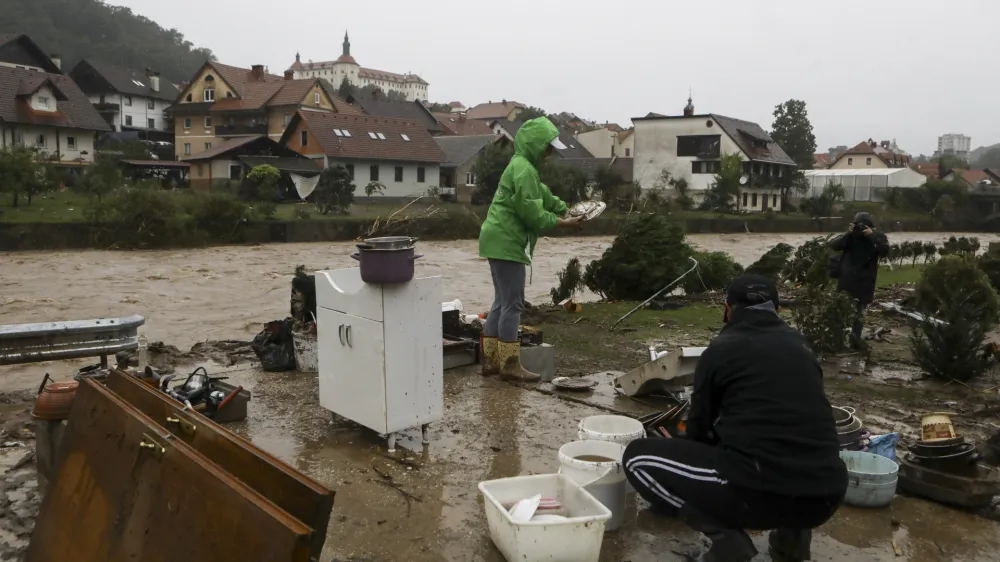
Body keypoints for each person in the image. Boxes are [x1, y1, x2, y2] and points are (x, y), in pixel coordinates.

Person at [622, 275, 847, 562]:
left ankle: (727, 539)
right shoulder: (802, 347)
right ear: (778, 310)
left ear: (727, 310)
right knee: (793, 451)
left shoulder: (720, 349)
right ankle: (792, 542)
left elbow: (700, 431)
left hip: (758, 493)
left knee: (637, 458)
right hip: (827, 494)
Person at [478, 117, 583, 382]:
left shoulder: (521, 166)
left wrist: (564, 208)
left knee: (501, 301)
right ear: (537, 144)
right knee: (513, 305)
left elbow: (542, 194)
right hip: (507, 241)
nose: (549, 154)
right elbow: (532, 214)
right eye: (548, 147)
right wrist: (564, 222)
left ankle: (491, 361)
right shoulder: (524, 171)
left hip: (495, 239)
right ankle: (510, 365)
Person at [830, 212, 890, 344]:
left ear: (870, 227)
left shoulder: (877, 236)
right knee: (840, 310)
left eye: (863, 226)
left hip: (864, 281)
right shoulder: (850, 237)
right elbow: (834, 245)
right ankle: (837, 339)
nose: (860, 229)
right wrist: (848, 234)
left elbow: (884, 251)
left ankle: (855, 339)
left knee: (859, 312)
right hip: (847, 280)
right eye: (858, 226)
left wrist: (871, 235)